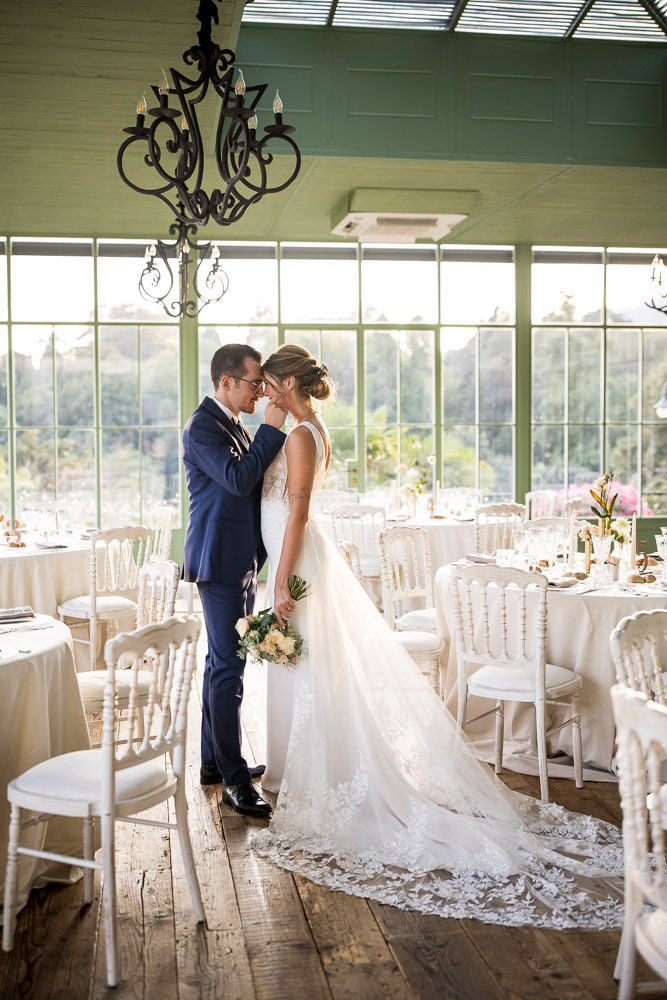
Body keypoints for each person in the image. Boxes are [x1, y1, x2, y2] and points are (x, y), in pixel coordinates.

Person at [253, 343, 624, 929]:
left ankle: (320, 775)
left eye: (270, 382)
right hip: (296, 555)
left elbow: (296, 511)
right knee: (314, 664)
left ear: (289, 382)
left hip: (294, 560)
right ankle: (299, 768)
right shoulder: (310, 428)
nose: (264, 391)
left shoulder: (299, 435)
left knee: (312, 665)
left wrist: (279, 580)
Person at [182, 343, 286, 817]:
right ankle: (235, 780)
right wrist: (272, 429)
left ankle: (214, 763)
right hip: (219, 561)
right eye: (254, 383)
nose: (260, 391)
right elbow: (239, 480)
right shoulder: (203, 426)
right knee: (229, 667)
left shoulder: (234, 424)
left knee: (220, 663)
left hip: (239, 559)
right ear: (226, 382)